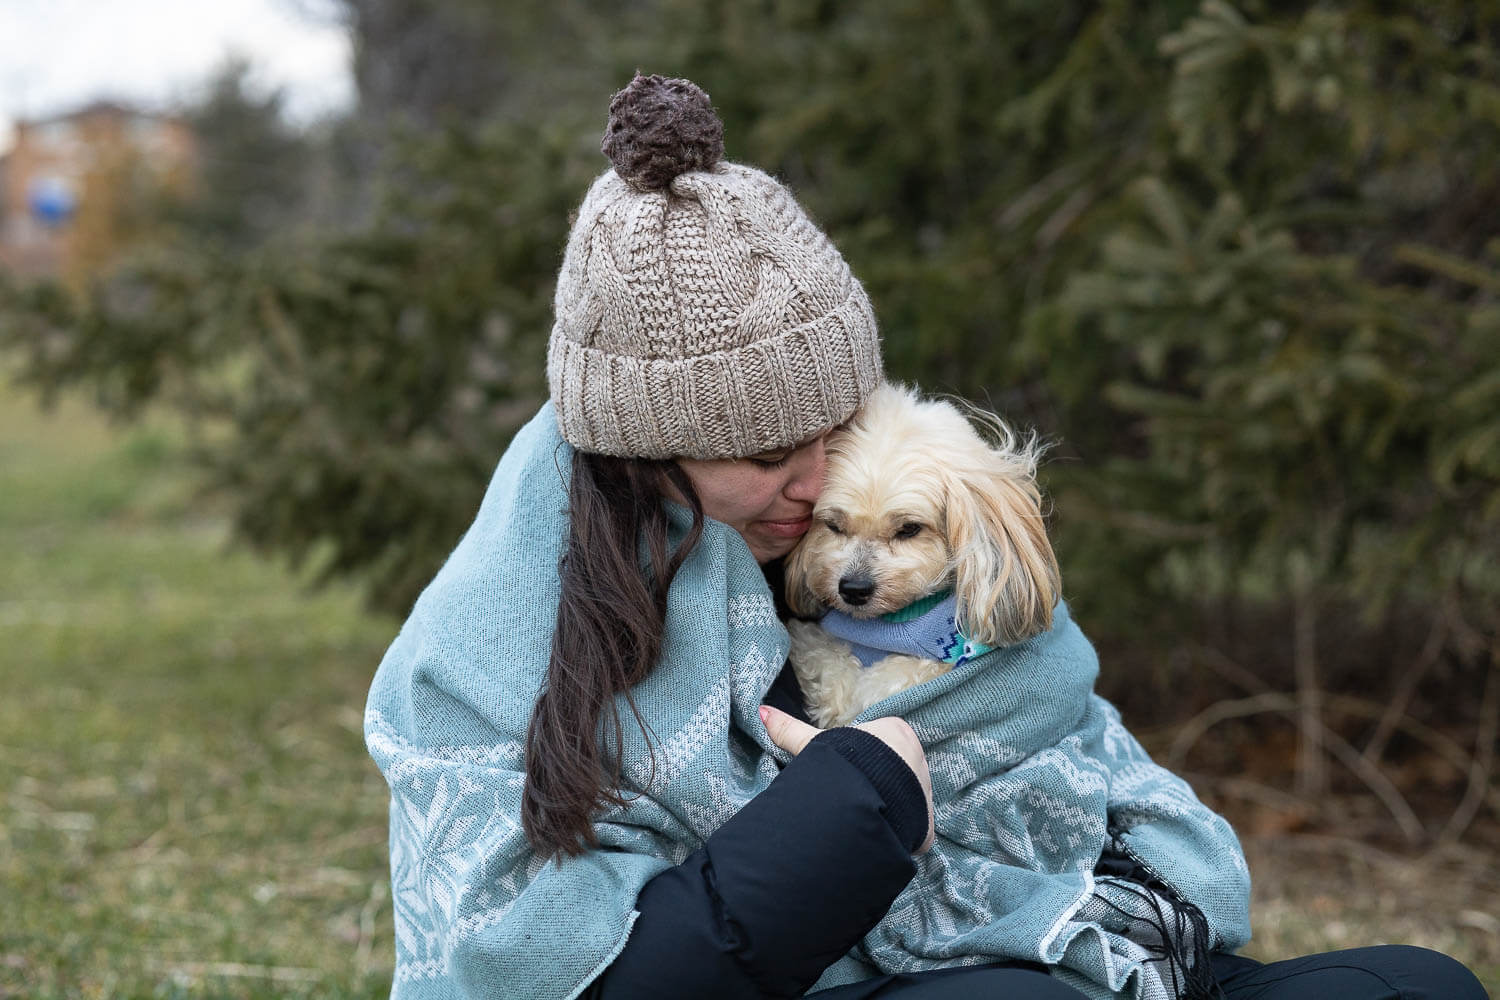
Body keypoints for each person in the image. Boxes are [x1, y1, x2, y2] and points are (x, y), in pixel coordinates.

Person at [364, 74, 1487, 1000]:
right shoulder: (493, 644)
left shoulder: (871, 534)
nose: (814, 485)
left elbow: (1060, 743)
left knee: (1419, 988)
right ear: (644, 452)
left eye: (832, 430)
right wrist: (863, 797)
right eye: (766, 456)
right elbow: (578, 976)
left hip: (1063, 927)